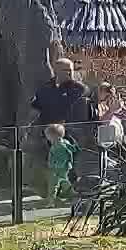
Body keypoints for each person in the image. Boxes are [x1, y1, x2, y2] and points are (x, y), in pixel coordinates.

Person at [30, 55, 92, 197]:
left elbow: (80, 111)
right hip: (48, 133)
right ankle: (50, 190)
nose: (69, 73)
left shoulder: (79, 89)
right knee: (48, 163)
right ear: (56, 70)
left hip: (71, 133)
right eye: (65, 70)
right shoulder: (45, 88)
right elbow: (36, 108)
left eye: (71, 70)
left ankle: (70, 191)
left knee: (68, 164)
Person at [45, 123, 76, 205]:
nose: (47, 138)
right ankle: (71, 195)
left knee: (55, 183)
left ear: (54, 136)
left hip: (59, 168)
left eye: (48, 136)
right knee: (62, 182)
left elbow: (66, 156)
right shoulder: (58, 144)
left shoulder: (60, 146)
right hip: (58, 167)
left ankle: (52, 200)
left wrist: (55, 165)